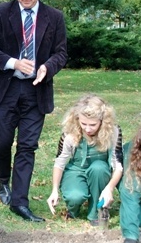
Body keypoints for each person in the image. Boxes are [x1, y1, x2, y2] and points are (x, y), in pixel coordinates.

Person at [0, 0, 67, 222]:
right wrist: (14, 63)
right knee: (3, 142)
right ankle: (3, 180)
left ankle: (20, 202)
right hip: (6, 88)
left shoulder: (55, 17)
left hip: (36, 90)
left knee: (27, 146)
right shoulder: (1, 13)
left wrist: (47, 68)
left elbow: (61, 53)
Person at [46, 95, 123, 225]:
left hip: (100, 171)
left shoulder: (114, 132)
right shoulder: (68, 134)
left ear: (102, 121)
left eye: (93, 125)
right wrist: (54, 190)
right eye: (83, 124)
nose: (87, 129)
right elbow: (59, 163)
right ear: (77, 119)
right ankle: (74, 209)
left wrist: (109, 188)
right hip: (76, 169)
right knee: (75, 196)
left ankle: (95, 212)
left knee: (99, 168)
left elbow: (118, 165)